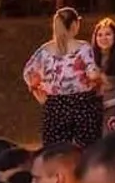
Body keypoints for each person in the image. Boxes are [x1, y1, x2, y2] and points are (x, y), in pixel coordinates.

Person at [22, 8, 104, 147]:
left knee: (55, 153)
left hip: (55, 107)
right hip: (83, 105)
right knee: (86, 153)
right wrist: (99, 79)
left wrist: (37, 92)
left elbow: (28, 73)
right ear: (74, 25)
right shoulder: (83, 47)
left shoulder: (44, 50)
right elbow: (92, 74)